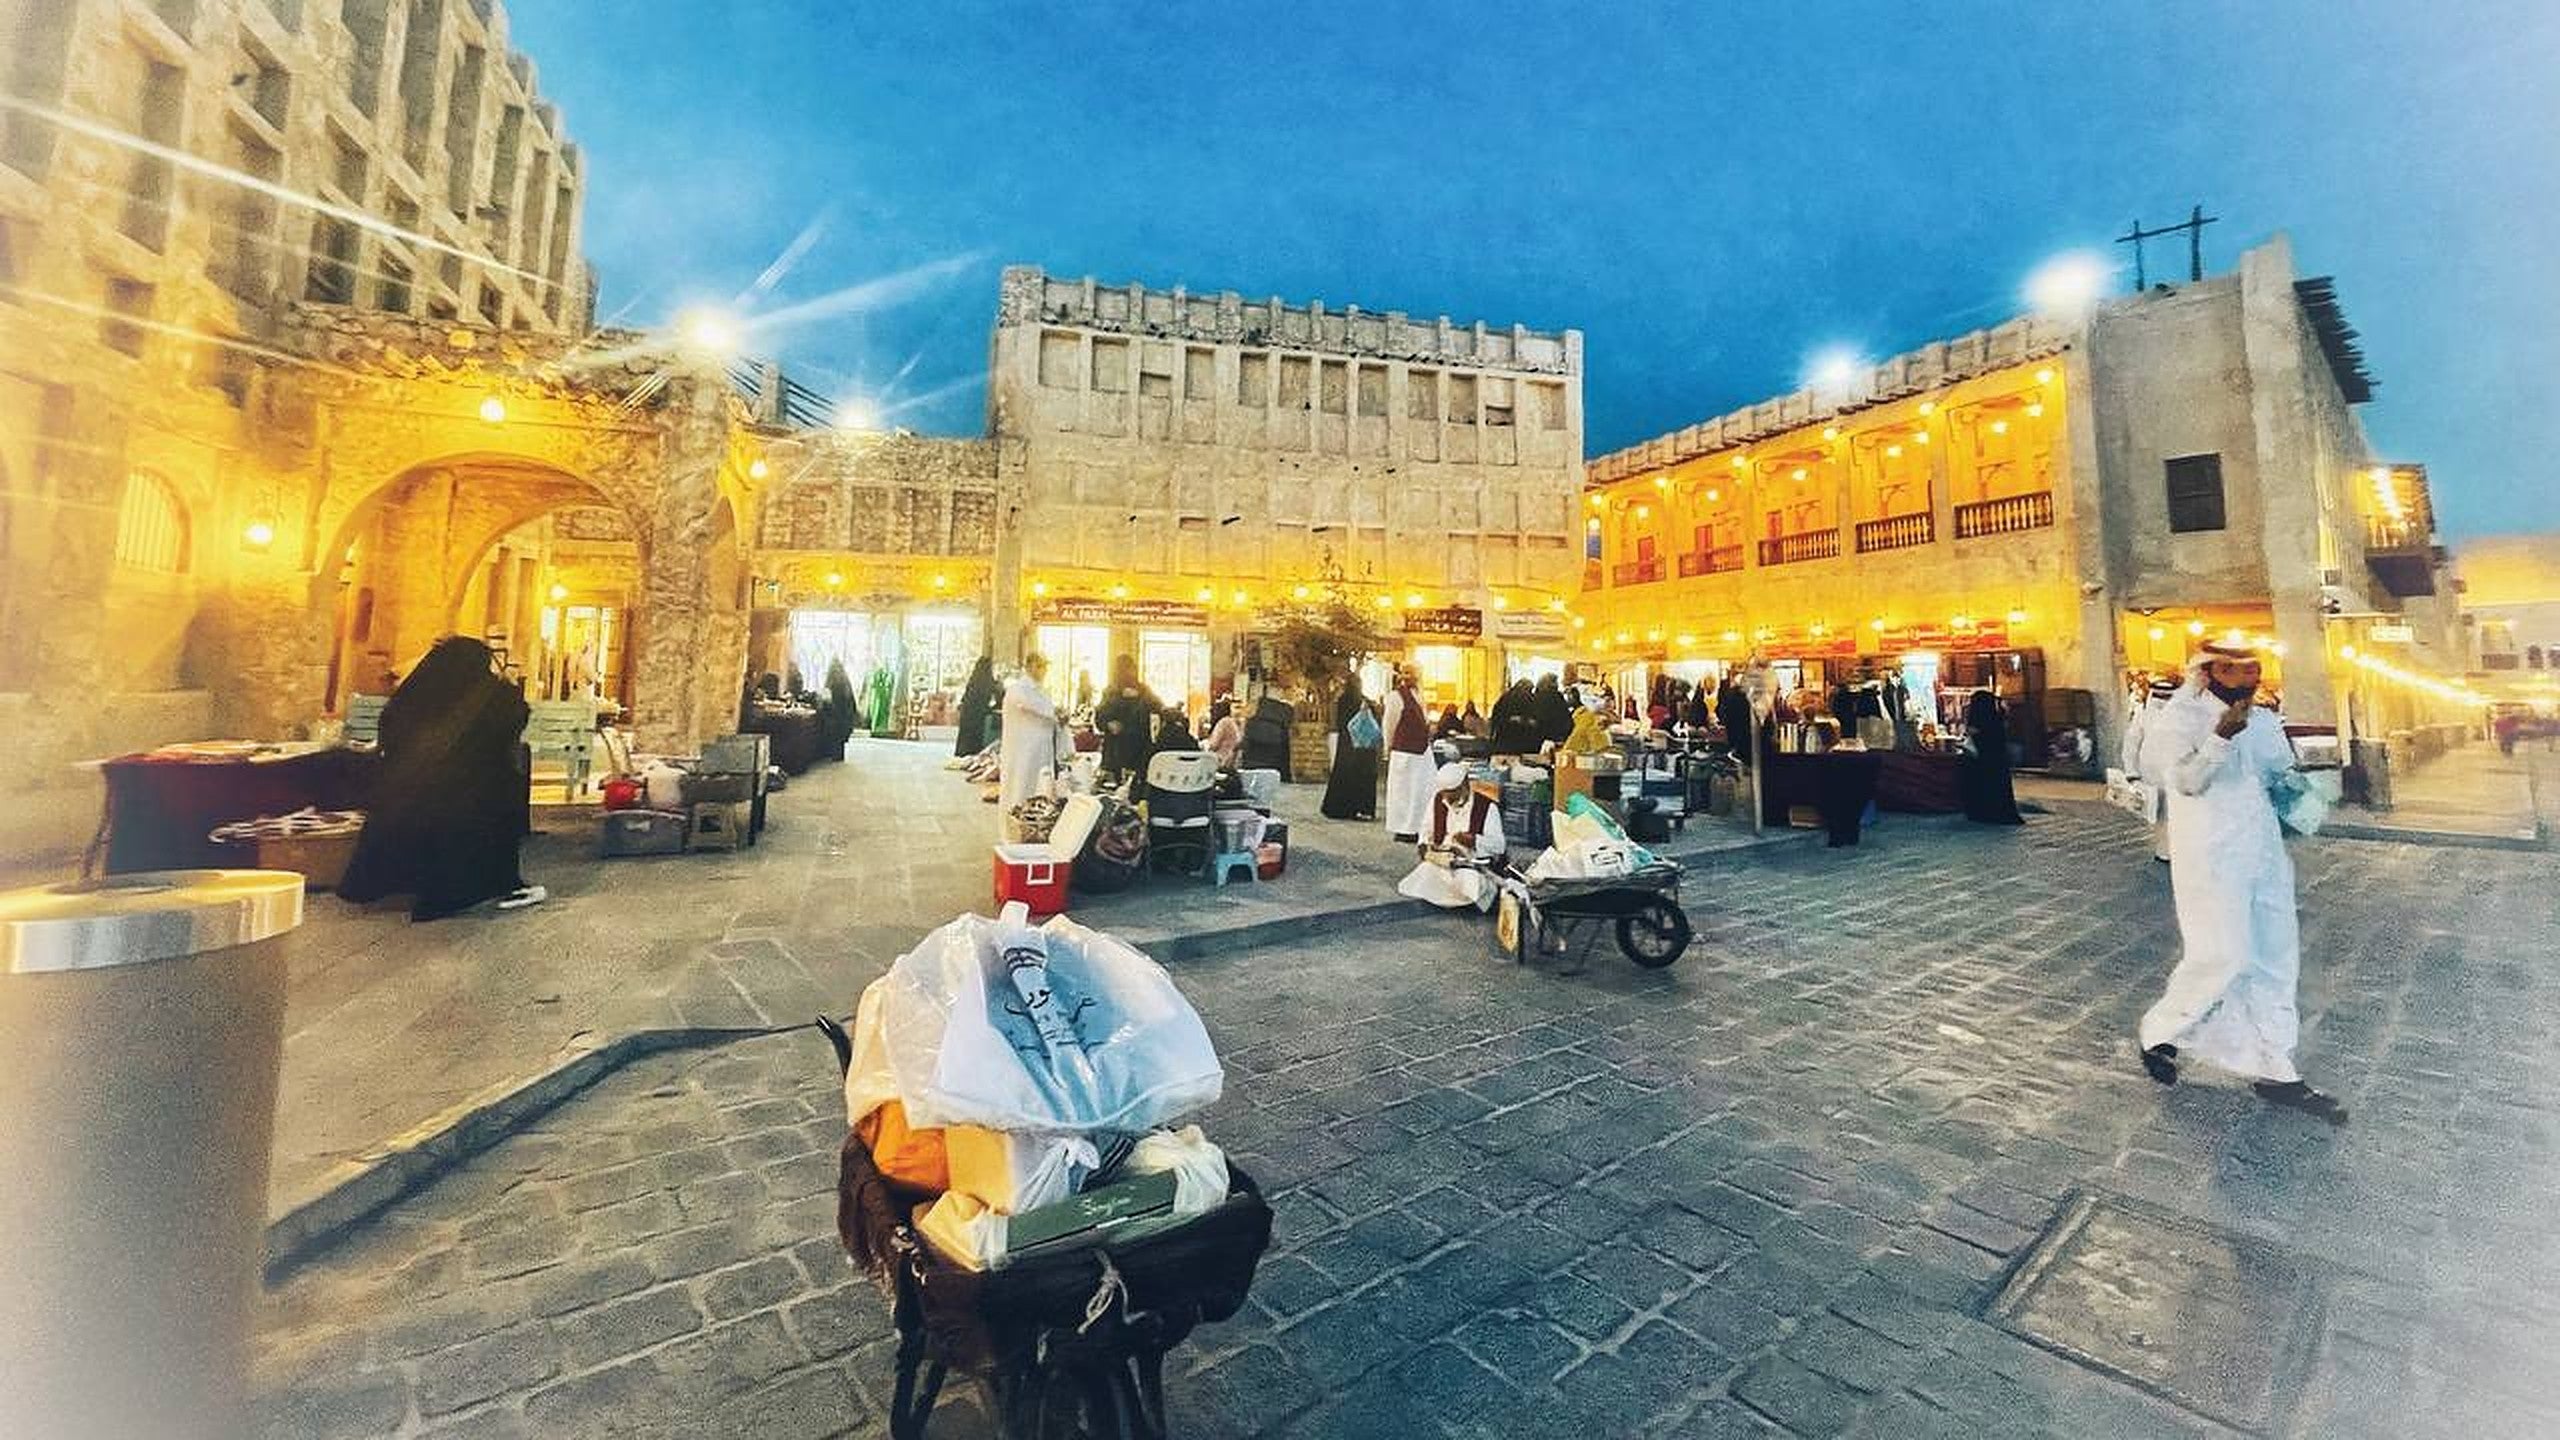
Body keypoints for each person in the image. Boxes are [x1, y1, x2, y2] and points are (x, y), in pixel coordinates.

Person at [2136, 641, 2346, 1125]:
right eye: (2236, 668)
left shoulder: (2265, 717)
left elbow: (2274, 773)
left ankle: (2275, 1065)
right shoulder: (2182, 718)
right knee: (2223, 954)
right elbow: (2185, 782)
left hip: (2263, 851)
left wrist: (2308, 791)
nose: (2248, 676)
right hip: (2211, 855)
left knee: (2275, 955)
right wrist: (2221, 738)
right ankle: (2160, 1032)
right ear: (2210, 672)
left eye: (2254, 667)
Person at [338, 636, 542, 920]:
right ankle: (475, 881)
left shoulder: (418, 692)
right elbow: (513, 722)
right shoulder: (495, 695)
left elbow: (390, 729)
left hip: (410, 788)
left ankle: (395, 881)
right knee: (500, 797)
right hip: (474, 793)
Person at [1396, 761, 1508, 910]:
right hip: (1444, 861)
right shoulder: (1437, 800)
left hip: (1472, 865)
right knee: (1424, 875)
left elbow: (1499, 846)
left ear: (1465, 785)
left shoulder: (1487, 807)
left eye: (1453, 793)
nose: (1448, 798)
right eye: (1445, 793)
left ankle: (1462, 899)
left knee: (1470, 882)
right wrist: (1424, 846)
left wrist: (1473, 840)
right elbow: (1426, 829)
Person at [998, 653, 1067, 815]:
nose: (1043, 671)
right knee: (1019, 789)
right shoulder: (1019, 690)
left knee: (1039, 789)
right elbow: (1033, 707)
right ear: (1028, 667)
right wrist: (1056, 714)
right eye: (1039, 666)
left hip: (1040, 752)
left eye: (1044, 667)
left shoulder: (1040, 691)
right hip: (1022, 753)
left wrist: (1057, 715)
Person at [2121, 675, 2179, 862]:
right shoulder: (2142, 714)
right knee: (2161, 814)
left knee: (2177, 814)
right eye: (2159, 695)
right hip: (2152, 776)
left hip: (2178, 773)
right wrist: (2131, 773)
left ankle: (2174, 851)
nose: (2162, 700)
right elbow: (2131, 743)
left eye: (2166, 695)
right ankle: (2165, 851)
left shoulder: (2183, 715)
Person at [1381, 667, 1435, 842]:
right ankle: (1403, 828)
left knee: (1422, 790)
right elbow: (1389, 724)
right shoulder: (1396, 697)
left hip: (1422, 752)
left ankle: (1419, 826)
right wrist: (1388, 747)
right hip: (1404, 752)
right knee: (1403, 792)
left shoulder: (1419, 695)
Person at [1959, 689, 2024, 824]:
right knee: (1998, 787)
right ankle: (1999, 812)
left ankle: (1984, 812)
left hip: (1981, 761)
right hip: (1998, 761)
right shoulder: (1996, 717)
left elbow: (1972, 734)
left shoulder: (1977, 717)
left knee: (1984, 787)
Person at [1093, 655, 1160, 781]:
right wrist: (1108, 724)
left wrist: (1141, 697)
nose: (1126, 673)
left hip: (1138, 750)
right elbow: (1099, 718)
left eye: (1129, 669)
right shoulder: (1110, 692)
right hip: (1114, 752)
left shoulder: (1144, 691)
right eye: (1122, 670)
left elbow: (1157, 710)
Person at [1322, 675, 1380, 820]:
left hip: (1346, 745)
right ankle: (1362, 809)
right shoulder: (1364, 701)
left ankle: (1340, 808)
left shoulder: (1342, 700)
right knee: (1363, 777)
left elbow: (1338, 722)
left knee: (1343, 775)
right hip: (1363, 747)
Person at [953, 656, 998, 758]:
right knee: (975, 734)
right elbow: (997, 695)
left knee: (966, 734)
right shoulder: (989, 680)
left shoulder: (973, 678)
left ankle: (963, 752)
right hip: (979, 712)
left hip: (968, 710)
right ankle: (973, 752)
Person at [1488, 679, 1542, 756]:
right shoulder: (1530, 699)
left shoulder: (1505, 698)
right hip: (1522, 741)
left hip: (1505, 740)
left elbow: (1496, 718)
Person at [1716, 676, 1754, 767]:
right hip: (1749, 739)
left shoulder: (1730, 695)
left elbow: (1722, 713)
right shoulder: (1749, 697)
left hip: (1734, 739)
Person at [1533, 674, 1574, 750]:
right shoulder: (1557, 697)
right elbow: (1567, 720)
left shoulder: (1535, 697)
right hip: (1555, 738)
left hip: (1537, 737)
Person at [1204, 697, 1244, 771]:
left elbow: (1214, 745)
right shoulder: (1236, 723)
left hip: (1222, 761)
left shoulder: (1223, 722)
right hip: (1234, 762)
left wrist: (1206, 744)